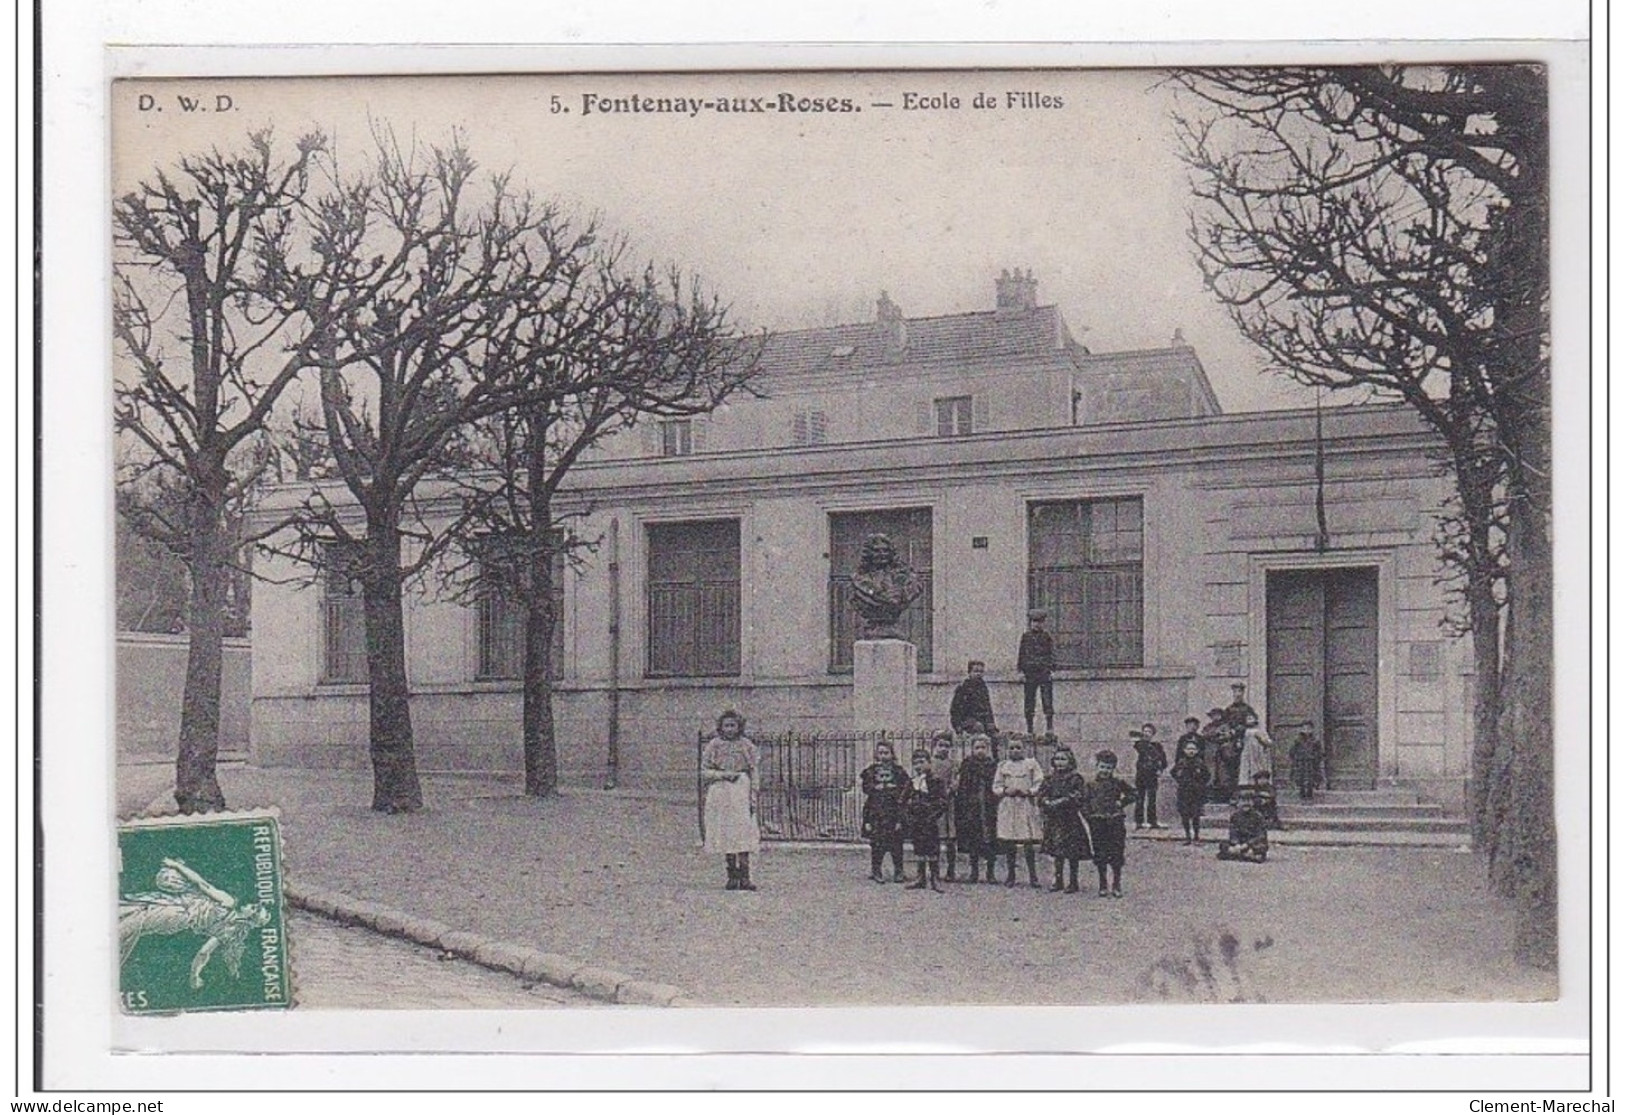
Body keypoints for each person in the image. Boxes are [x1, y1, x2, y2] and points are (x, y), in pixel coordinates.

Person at [699, 709, 761, 891]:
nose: (730, 729)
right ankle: (731, 875)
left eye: (733, 725)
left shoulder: (746, 746)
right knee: (726, 832)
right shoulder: (714, 746)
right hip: (721, 791)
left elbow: (754, 770)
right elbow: (704, 772)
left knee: (743, 832)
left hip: (741, 789)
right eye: (726, 725)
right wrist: (723, 774)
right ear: (721, 727)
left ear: (739, 726)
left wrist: (754, 794)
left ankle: (745, 875)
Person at [1079, 750, 1136, 897]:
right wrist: (1089, 817)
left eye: (1109, 768)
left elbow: (1133, 793)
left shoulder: (1118, 783)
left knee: (1117, 852)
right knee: (1100, 853)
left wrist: (1122, 802)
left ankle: (1116, 884)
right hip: (1098, 823)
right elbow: (1083, 803)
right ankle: (1103, 884)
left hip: (1115, 821)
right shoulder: (1090, 785)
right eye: (1102, 767)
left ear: (1113, 769)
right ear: (1097, 767)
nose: (1105, 771)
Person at [993, 735, 1045, 887]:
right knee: (1010, 841)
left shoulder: (1031, 764)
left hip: (1025, 804)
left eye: (1018, 747)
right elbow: (996, 786)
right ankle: (1011, 875)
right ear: (1007, 750)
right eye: (1012, 748)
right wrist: (1005, 791)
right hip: (1009, 805)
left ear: (1025, 749)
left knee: (1027, 840)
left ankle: (1033, 876)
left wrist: (1029, 791)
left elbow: (1039, 782)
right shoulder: (1003, 765)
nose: (1015, 751)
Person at [1037, 747, 1090, 893]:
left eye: (1063, 759)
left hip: (1070, 819)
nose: (1059, 763)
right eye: (1057, 759)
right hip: (1054, 820)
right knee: (1057, 852)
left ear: (1070, 761)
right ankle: (1058, 880)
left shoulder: (1075, 778)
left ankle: (1073, 882)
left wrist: (1062, 801)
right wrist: (1046, 801)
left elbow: (1079, 795)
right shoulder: (1049, 779)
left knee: (1072, 853)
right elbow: (1041, 795)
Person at [952, 733, 1000, 883]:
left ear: (988, 749)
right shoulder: (967, 764)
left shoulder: (993, 764)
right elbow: (963, 786)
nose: (980, 750)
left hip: (988, 806)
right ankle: (974, 871)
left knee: (990, 840)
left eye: (983, 747)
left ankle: (990, 872)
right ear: (972, 749)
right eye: (977, 747)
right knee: (973, 839)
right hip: (972, 807)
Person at [860, 741, 909, 883]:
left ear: (892, 754)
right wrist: (876, 787)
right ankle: (876, 870)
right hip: (876, 811)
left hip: (894, 811)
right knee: (877, 843)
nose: (883, 756)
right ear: (876, 754)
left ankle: (899, 871)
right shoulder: (870, 771)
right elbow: (866, 788)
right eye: (880, 753)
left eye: (886, 753)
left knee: (896, 844)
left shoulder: (899, 771)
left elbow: (905, 789)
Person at [902, 749, 949, 892]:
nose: (918, 766)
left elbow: (943, 801)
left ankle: (935, 878)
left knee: (933, 848)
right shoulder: (912, 782)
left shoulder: (936, 781)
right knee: (919, 847)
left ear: (929, 763)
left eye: (922, 762)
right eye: (915, 763)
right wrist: (909, 813)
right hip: (917, 820)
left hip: (930, 820)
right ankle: (920, 877)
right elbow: (902, 800)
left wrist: (933, 814)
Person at [1016, 609, 1056, 738]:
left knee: (1047, 700)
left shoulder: (1046, 637)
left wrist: (1051, 669)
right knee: (1029, 701)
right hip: (1030, 673)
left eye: (1039, 622)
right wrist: (1021, 670)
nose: (1036, 625)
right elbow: (1021, 654)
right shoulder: (1026, 637)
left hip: (1043, 672)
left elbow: (1051, 654)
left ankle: (1049, 727)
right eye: (1034, 622)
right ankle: (1029, 728)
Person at [928, 731, 960, 880]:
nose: (944, 749)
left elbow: (955, 780)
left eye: (947, 746)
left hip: (950, 805)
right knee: (934, 838)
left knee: (950, 839)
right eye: (940, 745)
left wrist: (954, 786)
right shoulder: (930, 764)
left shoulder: (953, 764)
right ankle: (934, 871)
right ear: (934, 746)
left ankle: (951, 870)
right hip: (934, 805)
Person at [1170, 734, 1212, 845]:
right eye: (1189, 749)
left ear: (1197, 751)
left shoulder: (1200, 763)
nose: (1191, 751)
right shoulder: (1181, 762)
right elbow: (1173, 772)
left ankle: (1197, 836)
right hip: (1184, 792)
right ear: (1184, 750)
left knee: (1196, 815)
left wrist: (1201, 784)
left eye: (1193, 749)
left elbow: (1207, 775)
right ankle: (1187, 836)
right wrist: (1180, 780)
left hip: (1196, 793)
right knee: (1185, 815)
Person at [1131, 723, 1169, 830]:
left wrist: (1160, 769)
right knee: (1140, 798)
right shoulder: (1140, 744)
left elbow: (1163, 760)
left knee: (1152, 799)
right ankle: (1139, 822)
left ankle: (1152, 821)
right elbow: (1139, 745)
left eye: (1149, 732)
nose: (1147, 733)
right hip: (1141, 775)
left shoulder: (1157, 746)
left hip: (1152, 775)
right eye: (1145, 731)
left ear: (1153, 734)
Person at [1217, 789, 1270, 863]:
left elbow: (1261, 835)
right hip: (1240, 843)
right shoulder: (1235, 816)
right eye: (1243, 801)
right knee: (1223, 845)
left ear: (1253, 802)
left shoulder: (1258, 816)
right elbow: (1233, 831)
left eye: (1249, 801)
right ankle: (1246, 855)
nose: (1246, 803)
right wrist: (1237, 844)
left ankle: (1243, 854)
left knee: (1261, 847)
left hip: (1252, 843)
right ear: (1238, 802)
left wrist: (1248, 844)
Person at [949, 660, 997, 736]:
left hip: (982, 721)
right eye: (975, 671)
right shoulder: (963, 688)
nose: (978, 674)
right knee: (978, 728)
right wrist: (958, 726)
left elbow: (988, 709)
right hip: (967, 721)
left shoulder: (983, 689)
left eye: (981, 672)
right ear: (969, 673)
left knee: (996, 735)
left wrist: (991, 723)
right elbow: (955, 710)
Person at [1200, 707, 1236, 804]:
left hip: (1223, 755)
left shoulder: (1225, 725)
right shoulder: (1208, 727)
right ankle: (1211, 798)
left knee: (1224, 775)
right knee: (1211, 775)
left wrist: (1220, 736)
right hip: (1210, 755)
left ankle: (1226, 797)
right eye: (1213, 715)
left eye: (1217, 715)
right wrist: (1215, 733)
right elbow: (1204, 735)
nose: (1216, 717)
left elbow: (1228, 736)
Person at [1236, 712, 1274, 795]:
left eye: (1251, 718)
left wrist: (1262, 740)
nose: (1249, 720)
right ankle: (1247, 784)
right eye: (1247, 719)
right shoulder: (1244, 731)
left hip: (1258, 752)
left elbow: (1268, 742)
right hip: (1247, 752)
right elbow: (1240, 741)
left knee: (1258, 766)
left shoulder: (1260, 730)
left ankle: (1260, 784)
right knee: (1247, 767)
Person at [1289, 721, 1324, 801]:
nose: (1306, 730)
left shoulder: (1315, 741)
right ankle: (1302, 794)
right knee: (1301, 778)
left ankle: (1310, 794)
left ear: (1312, 729)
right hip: (1300, 762)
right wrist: (1296, 758)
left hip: (1311, 763)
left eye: (1308, 728)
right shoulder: (1297, 741)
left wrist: (1316, 758)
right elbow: (1292, 751)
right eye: (1304, 728)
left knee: (1310, 779)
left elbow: (1319, 752)